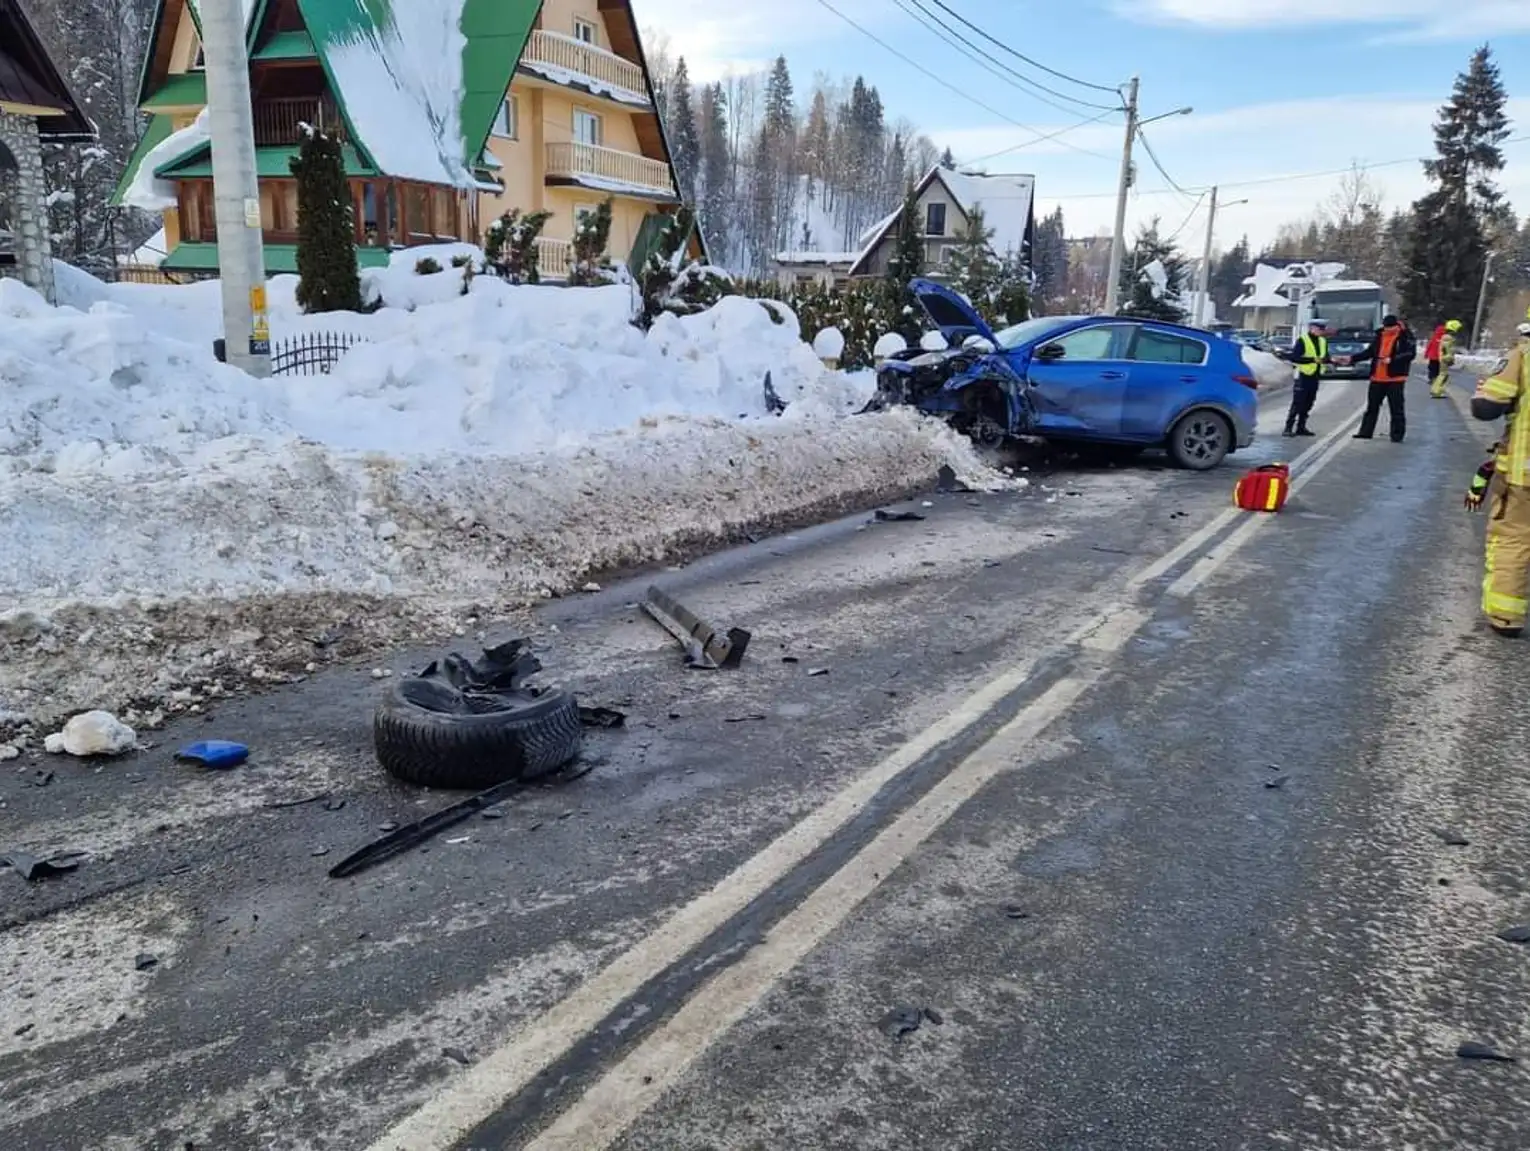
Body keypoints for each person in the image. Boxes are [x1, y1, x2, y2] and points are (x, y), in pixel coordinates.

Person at [1469, 312, 1530, 636]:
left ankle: (1506, 617)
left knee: (1513, 540)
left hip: (1524, 476)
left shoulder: (1522, 356)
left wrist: (1483, 394)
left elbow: (1486, 407)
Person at [1350, 314, 1417, 442]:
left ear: (1396, 326)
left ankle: (1397, 435)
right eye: (1386, 327)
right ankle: (1365, 432)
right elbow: (1370, 352)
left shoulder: (1405, 336)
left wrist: (1392, 360)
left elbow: (1410, 354)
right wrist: (1352, 359)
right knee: (1372, 407)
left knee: (1396, 408)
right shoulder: (1379, 335)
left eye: (1390, 328)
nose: (1388, 330)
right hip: (1377, 377)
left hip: (1395, 378)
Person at [1282, 318, 1329, 437]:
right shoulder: (1303, 340)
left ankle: (1301, 427)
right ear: (1312, 328)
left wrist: (1332, 360)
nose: (1321, 331)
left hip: (1315, 376)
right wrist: (1312, 360)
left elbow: (1325, 356)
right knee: (1298, 402)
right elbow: (1294, 357)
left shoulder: (1323, 341)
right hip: (1303, 376)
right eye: (1319, 329)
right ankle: (1288, 428)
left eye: (1322, 329)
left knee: (1309, 402)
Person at [1428, 318, 1463, 398]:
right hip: (1445, 358)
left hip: (1444, 358)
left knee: (1443, 375)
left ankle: (1438, 390)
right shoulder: (1448, 337)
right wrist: (1449, 357)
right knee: (1443, 375)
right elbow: (1447, 349)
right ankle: (1436, 390)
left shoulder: (1446, 336)